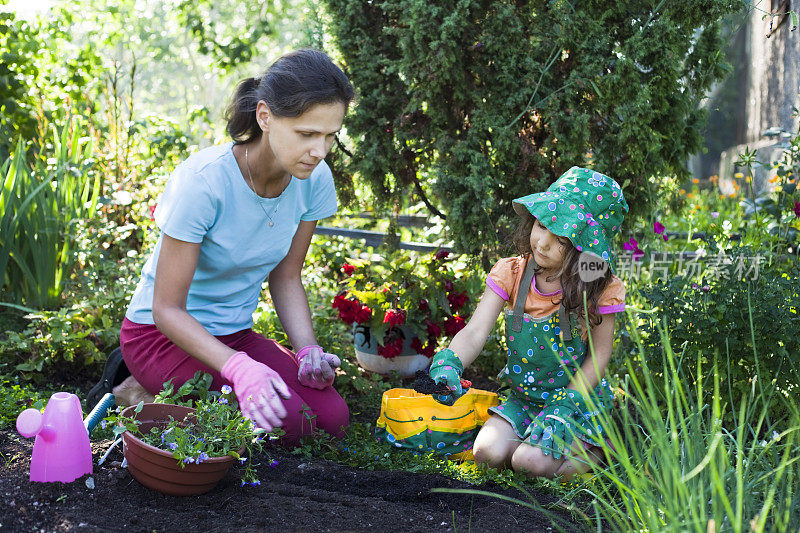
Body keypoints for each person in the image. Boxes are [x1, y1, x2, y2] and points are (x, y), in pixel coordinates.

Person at [91, 49, 355, 446]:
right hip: (160, 335)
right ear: (265, 117)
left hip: (234, 335)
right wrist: (239, 368)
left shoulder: (314, 181)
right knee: (290, 423)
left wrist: (307, 350)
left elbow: (286, 278)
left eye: (330, 135)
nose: (320, 151)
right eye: (307, 134)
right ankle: (131, 389)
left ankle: (189, 397)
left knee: (333, 419)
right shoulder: (203, 182)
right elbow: (166, 309)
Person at [428, 167, 628, 480]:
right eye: (541, 225)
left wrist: (566, 405)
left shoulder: (600, 287)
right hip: (526, 399)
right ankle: (536, 440)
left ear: (585, 245)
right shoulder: (512, 272)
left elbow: (599, 357)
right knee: (486, 453)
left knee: (528, 464)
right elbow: (475, 331)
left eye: (560, 237)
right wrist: (450, 363)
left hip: (575, 402)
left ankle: (599, 448)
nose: (543, 242)